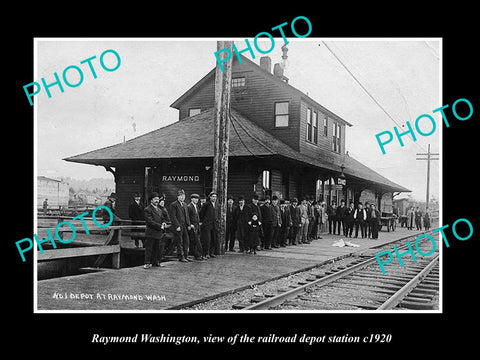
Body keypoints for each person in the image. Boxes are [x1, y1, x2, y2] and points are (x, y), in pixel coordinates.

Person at [143, 192, 169, 269]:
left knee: (157, 249)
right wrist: (160, 226)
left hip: (158, 232)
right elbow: (150, 221)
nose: (157, 201)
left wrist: (164, 223)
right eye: (155, 199)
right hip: (151, 232)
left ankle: (156, 262)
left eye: (157, 199)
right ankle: (147, 263)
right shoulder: (147, 209)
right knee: (149, 249)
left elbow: (162, 218)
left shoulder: (159, 210)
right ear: (151, 200)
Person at [169, 189, 191, 263]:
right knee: (179, 242)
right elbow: (173, 216)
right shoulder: (174, 204)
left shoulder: (185, 204)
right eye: (181, 196)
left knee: (186, 241)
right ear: (177, 197)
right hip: (179, 226)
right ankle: (181, 256)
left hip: (185, 226)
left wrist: (188, 224)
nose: (182, 197)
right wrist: (177, 226)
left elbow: (187, 216)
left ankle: (186, 256)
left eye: (183, 196)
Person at [199, 191, 218, 258]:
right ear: (210, 197)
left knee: (214, 239)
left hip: (214, 224)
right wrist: (201, 221)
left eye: (215, 197)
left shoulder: (216, 205)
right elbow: (201, 213)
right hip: (207, 224)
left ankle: (211, 252)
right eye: (213, 196)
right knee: (207, 239)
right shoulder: (206, 204)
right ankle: (206, 253)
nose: (214, 198)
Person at [187, 193, 205, 261]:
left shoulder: (196, 206)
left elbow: (197, 215)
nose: (196, 200)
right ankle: (199, 255)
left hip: (197, 225)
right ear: (192, 199)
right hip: (193, 225)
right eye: (195, 198)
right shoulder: (189, 206)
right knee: (196, 241)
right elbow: (187, 216)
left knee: (196, 240)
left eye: (197, 199)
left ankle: (197, 254)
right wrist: (190, 224)